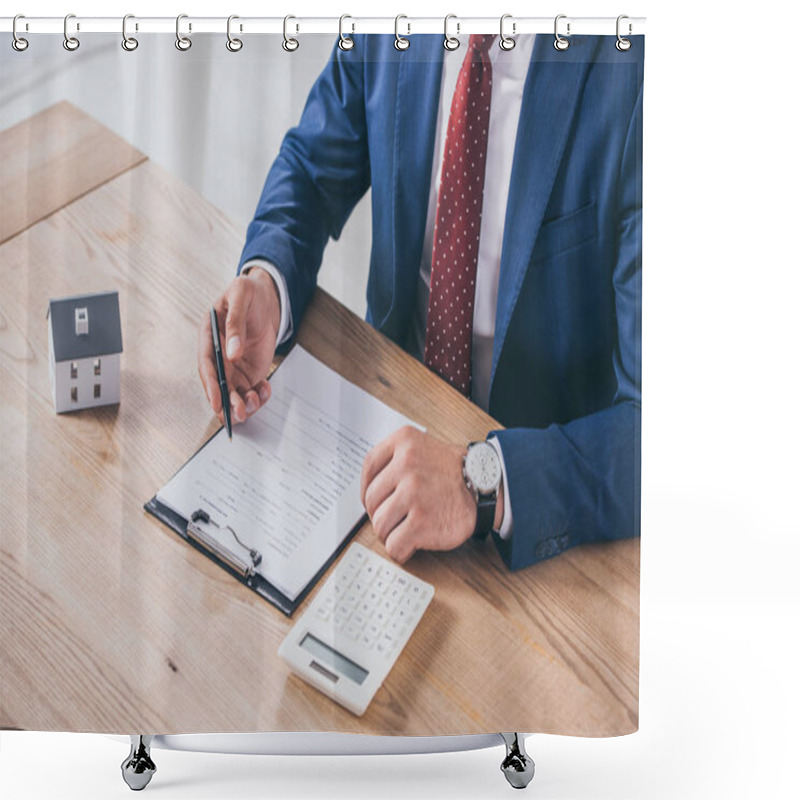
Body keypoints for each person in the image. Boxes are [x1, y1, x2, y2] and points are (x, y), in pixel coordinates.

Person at [197, 33, 643, 571]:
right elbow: (311, 167)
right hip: (377, 448)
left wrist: (484, 480)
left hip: (540, 512)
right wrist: (267, 281)